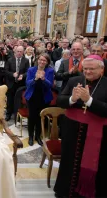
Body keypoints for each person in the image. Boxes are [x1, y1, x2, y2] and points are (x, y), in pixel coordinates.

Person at [54, 55, 107, 198]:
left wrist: (89, 101)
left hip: (97, 135)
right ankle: (65, 191)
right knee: (68, 161)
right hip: (72, 131)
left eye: (92, 69)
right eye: (85, 69)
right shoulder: (74, 80)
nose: (88, 72)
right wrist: (72, 99)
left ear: (101, 70)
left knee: (95, 164)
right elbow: (60, 100)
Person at [25, 53, 54, 146]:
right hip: (32, 97)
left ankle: (38, 136)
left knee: (40, 118)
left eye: (44, 60)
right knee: (32, 117)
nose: (42, 62)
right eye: (40, 60)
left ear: (47, 62)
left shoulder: (50, 70)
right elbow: (27, 83)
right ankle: (30, 136)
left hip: (44, 97)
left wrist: (43, 79)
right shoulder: (31, 69)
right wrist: (35, 78)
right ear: (37, 60)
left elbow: (50, 85)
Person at [4, 46, 29, 121]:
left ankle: (17, 115)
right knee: (10, 99)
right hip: (11, 83)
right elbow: (5, 71)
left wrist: (23, 75)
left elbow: (28, 71)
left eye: (21, 51)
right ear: (15, 51)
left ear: (23, 52)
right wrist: (12, 74)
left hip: (20, 84)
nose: (19, 53)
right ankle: (8, 114)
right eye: (18, 51)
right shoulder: (10, 60)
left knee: (19, 100)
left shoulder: (26, 60)